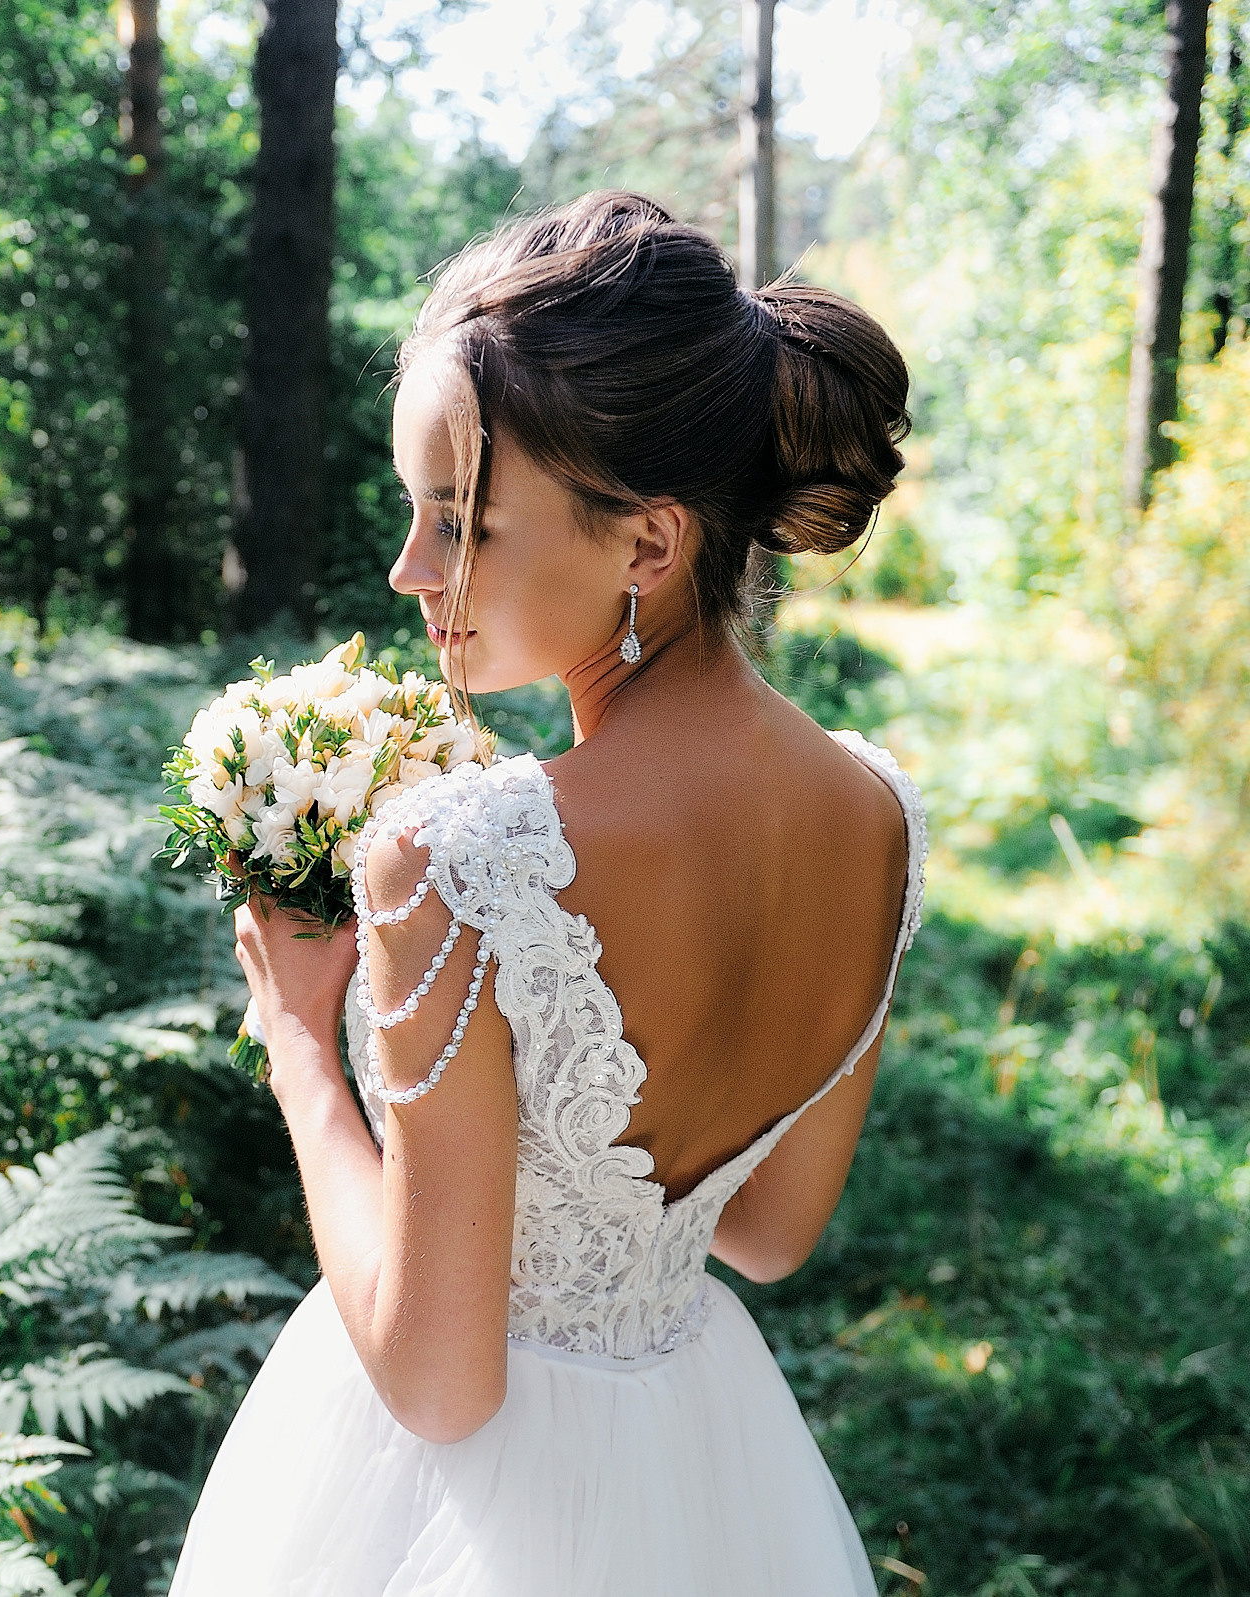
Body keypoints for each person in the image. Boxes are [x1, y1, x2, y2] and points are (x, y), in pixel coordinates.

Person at [171, 191, 925, 1596]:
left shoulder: (454, 862)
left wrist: (298, 1050)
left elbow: (440, 1386)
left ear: (648, 544)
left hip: (457, 1516)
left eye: (458, 526)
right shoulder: (879, 814)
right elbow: (766, 1234)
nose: (410, 575)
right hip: (707, 1480)